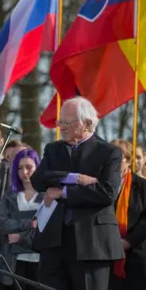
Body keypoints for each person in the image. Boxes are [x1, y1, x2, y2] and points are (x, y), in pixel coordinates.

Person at [30, 96, 123, 290]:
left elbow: (107, 192)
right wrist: (76, 178)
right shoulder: (53, 149)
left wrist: (63, 192)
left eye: (67, 123)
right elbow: (38, 179)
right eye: (59, 122)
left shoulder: (109, 152)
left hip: (91, 243)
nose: (61, 127)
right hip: (53, 241)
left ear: (87, 124)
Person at [0, 149, 44, 290]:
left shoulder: (46, 195)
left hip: (40, 262)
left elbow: (46, 229)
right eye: (20, 168)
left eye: (29, 167)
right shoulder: (10, 196)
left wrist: (20, 237)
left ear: (37, 167)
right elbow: (1, 224)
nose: (24, 172)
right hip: (13, 263)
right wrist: (29, 223)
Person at [107, 139, 146, 290]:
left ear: (128, 161)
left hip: (134, 256)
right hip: (106, 254)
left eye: (117, 158)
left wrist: (128, 241)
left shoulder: (142, 186)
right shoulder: (101, 185)